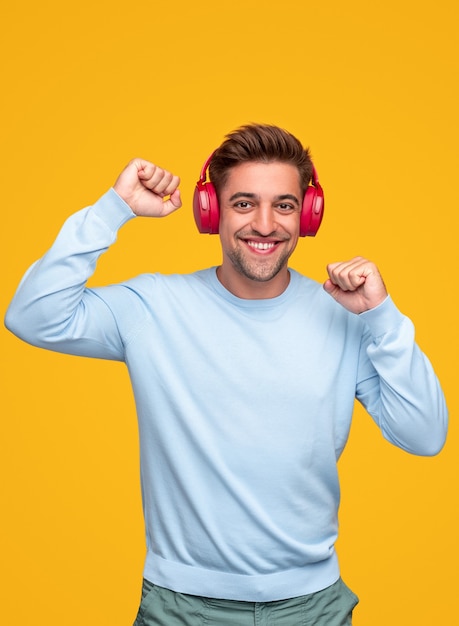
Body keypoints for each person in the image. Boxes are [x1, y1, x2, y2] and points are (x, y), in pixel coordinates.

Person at [5, 124, 448, 625]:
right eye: (243, 204)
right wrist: (115, 208)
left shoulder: (344, 315)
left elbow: (425, 434)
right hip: (180, 607)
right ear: (209, 210)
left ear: (307, 215)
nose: (265, 224)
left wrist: (384, 317)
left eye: (283, 205)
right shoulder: (153, 305)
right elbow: (31, 315)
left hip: (313, 607)